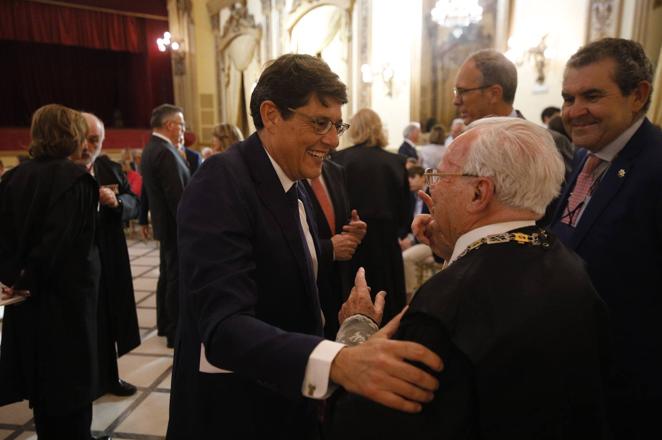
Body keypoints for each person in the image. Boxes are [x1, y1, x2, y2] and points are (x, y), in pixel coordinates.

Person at [167, 53, 442, 439]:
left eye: (337, 125)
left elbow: (291, 283)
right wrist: (339, 361)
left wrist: (349, 327)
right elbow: (224, 329)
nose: (332, 140)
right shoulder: (221, 181)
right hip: (236, 411)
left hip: (286, 400)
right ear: (271, 114)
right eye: (319, 123)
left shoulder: (295, 180)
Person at [326, 117, 610, 439]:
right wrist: (455, 249)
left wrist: (356, 331)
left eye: (440, 175)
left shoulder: (444, 305)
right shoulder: (569, 265)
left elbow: (364, 424)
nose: (429, 187)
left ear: (479, 193)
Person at [549, 38, 662, 440]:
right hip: (576, 370)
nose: (574, 111)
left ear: (638, 95)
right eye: (568, 97)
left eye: (591, 96)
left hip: (631, 384)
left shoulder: (655, 165)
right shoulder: (584, 156)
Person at [0, 104, 109, 440]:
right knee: (72, 389)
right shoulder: (76, 181)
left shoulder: (13, 177)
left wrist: (13, 280)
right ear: (71, 134)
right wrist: (29, 279)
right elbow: (58, 248)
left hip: (27, 304)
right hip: (65, 305)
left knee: (42, 389)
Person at [453, 49, 575, 224]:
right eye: (455, 91)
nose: (456, 101)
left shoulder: (549, 143)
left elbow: (559, 214)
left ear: (494, 93)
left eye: (462, 91)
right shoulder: (460, 145)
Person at [77, 112, 141, 397]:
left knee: (109, 319)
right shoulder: (60, 172)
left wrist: (118, 202)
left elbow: (135, 203)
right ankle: (85, 384)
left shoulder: (109, 168)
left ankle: (109, 378)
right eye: (83, 139)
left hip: (110, 257)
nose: (87, 147)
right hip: (77, 265)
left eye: (94, 140)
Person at [334, 108, 411, 324]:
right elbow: (405, 209)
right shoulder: (396, 161)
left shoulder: (339, 159)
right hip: (386, 243)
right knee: (388, 301)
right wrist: (400, 231)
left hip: (352, 242)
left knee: (353, 301)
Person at [140, 104, 191, 348]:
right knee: (175, 278)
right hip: (175, 227)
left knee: (167, 275)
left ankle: (165, 324)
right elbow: (177, 196)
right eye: (181, 124)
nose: (183, 129)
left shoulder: (152, 148)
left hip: (166, 226)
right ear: (170, 125)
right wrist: (191, 226)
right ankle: (174, 331)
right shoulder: (165, 152)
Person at [301, 158, 367, 339]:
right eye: (321, 127)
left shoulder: (335, 170)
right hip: (307, 288)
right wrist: (328, 248)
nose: (332, 139)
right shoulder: (289, 172)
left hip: (339, 283)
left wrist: (354, 230)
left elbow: (340, 221)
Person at [399, 166, 432, 302]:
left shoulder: (431, 194)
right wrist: (401, 239)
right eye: (408, 177)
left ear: (423, 177)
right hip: (414, 240)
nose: (409, 181)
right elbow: (405, 223)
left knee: (406, 258)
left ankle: (411, 300)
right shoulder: (411, 197)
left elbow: (431, 227)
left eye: (413, 177)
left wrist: (411, 241)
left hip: (428, 241)